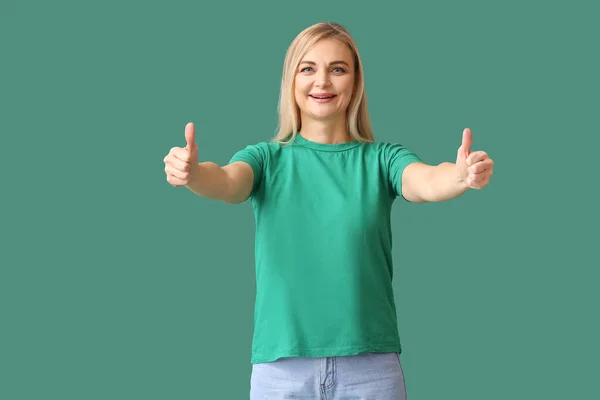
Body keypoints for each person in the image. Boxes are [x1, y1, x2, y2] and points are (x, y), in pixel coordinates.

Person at [163, 21, 494, 400]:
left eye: (338, 69)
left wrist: (461, 176)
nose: (322, 81)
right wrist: (191, 175)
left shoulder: (382, 160)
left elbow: (426, 181)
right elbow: (225, 181)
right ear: (291, 80)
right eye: (308, 68)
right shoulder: (266, 159)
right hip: (281, 369)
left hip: (371, 368)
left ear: (355, 83)